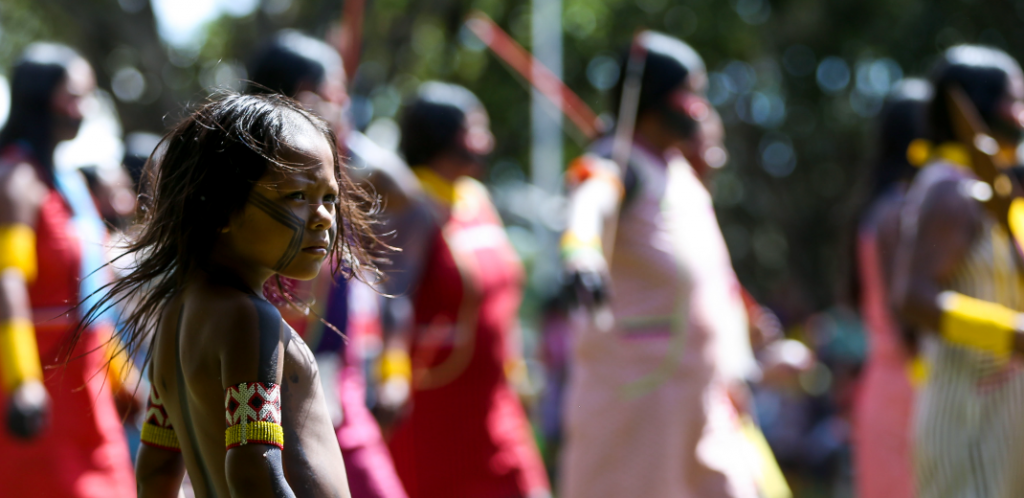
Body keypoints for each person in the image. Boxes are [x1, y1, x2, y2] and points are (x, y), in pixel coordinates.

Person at [83, 93, 380, 497]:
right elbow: (253, 471)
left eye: (329, 197)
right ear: (221, 209)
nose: (325, 216)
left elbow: (156, 469)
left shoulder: (175, 314)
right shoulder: (249, 319)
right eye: (297, 196)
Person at [558, 31, 760, 498]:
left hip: (699, 403)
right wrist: (581, 250)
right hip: (636, 401)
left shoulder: (678, 170)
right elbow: (591, 200)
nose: (702, 106)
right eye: (692, 92)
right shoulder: (616, 159)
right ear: (658, 98)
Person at [247, 30, 411, 498]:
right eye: (335, 91)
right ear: (303, 95)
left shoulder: (332, 173)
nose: (346, 102)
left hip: (340, 398)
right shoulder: (255, 188)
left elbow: (403, 192)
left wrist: (341, 132)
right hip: (274, 396)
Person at [383, 82, 550, 498]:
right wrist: (390, 373)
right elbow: (390, 293)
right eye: (474, 130)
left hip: (496, 400)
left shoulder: (476, 198)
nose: (486, 142)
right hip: (435, 406)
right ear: (440, 135)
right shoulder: (412, 203)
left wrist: (518, 372)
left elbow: (503, 301)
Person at [0, 43, 136, 498]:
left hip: (85, 387)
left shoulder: (69, 181)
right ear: (42, 98)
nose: (86, 108)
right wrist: (23, 382)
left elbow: (92, 297)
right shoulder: (17, 181)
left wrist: (123, 377)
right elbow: (7, 279)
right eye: (77, 95)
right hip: (38, 389)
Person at [892, 45, 1024, 498]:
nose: (1022, 113)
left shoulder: (993, 189)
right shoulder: (950, 190)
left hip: (1001, 409)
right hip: (964, 408)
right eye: (1014, 100)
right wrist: (1011, 333)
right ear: (979, 105)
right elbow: (913, 298)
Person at [851, 78, 931, 498]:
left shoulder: (877, 207)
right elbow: (910, 320)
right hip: (913, 390)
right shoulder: (904, 210)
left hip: (883, 388)